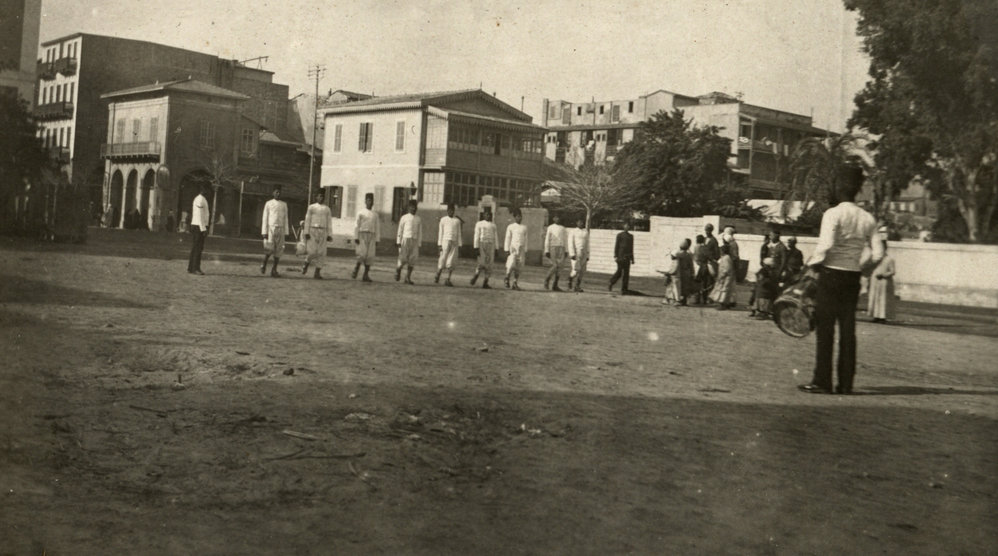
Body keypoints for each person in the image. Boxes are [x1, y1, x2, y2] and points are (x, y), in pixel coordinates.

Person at [799, 165, 884, 395]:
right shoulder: (867, 218)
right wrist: (862, 270)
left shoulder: (833, 214)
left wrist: (810, 267)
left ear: (838, 186)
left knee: (826, 329)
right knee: (848, 330)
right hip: (852, 277)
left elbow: (825, 246)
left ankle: (822, 381)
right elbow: (878, 253)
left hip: (830, 275)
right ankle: (846, 383)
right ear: (856, 188)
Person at [301, 190, 333, 279]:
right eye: (319, 196)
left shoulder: (327, 209)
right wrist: (306, 232)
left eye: (322, 196)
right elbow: (307, 220)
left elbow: (329, 222)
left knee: (322, 252)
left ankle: (317, 272)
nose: (321, 198)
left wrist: (330, 234)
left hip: (323, 231)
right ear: (316, 197)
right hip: (312, 230)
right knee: (312, 251)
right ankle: (306, 262)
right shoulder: (311, 207)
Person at [260, 186, 290, 278]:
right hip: (271, 228)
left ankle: (274, 270)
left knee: (279, 250)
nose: (278, 194)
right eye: (276, 192)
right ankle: (264, 264)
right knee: (269, 248)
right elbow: (265, 218)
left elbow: (286, 218)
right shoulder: (268, 203)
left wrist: (286, 232)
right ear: (273, 193)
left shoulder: (284, 204)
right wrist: (264, 232)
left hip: (280, 229)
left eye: (279, 192)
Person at [352, 192, 380, 282]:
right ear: (365, 201)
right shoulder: (360, 213)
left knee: (370, 256)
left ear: (373, 202)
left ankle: (365, 275)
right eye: (368, 200)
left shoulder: (375, 214)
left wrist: (377, 239)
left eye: (371, 201)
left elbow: (377, 227)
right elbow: (356, 225)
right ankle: (356, 268)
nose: (369, 202)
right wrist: (356, 236)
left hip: (371, 236)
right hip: (362, 234)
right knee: (362, 254)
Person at [867, 240, 896, 323]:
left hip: (884, 281)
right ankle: (876, 316)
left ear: (885, 248)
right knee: (875, 297)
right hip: (875, 281)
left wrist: (883, 275)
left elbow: (892, 271)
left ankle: (882, 317)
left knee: (883, 299)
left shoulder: (889, 259)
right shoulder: (874, 259)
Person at [395, 200, 422, 285]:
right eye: (412, 207)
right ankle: (398, 269)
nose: (413, 209)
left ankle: (408, 277)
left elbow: (420, 232)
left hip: (414, 241)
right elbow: (400, 230)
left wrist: (419, 242)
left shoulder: (418, 219)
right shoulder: (404, 217)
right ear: (409, 207)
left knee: (412, 259)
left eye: (415, 207)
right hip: (405, 239)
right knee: (403, 258)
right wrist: (398, 241)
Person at [435, 203, 462, 286]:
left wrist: (459, 244)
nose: (451, 212)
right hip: (445, 241)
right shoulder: (443, 220)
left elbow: (459, 233)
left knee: (452, 261)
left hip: (454, 242)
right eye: (449, 210)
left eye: (452, 210)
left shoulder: (457, 221)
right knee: (443, 258)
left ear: (454, 211)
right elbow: (440, 232)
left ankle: (448, 278)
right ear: (447, 211)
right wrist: (439, 244)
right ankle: (438, 274)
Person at [186, 184, 211, 275]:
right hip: (198, 226)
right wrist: (203, 228)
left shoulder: (201, 199)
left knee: (195, 247)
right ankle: (195, 268)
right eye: (206, 189)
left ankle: (191, 267)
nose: (208, 191)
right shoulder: (200, 199)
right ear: (202, 189)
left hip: (197, 226)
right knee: (197, 248)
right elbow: (200, 215)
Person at [470, 210, 498, 289]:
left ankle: (485, 282)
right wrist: (476, 247)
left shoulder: (493, 225)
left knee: (489, 264)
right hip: (482, 244)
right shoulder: (479, 224)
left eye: (489, 215)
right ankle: (476, 275)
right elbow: (476, 235)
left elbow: (496, 237)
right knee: (481, 262)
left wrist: (496, 248)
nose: (488, 216)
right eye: (486, 214)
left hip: (491, 245)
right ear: (483, 215)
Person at [503, 208, 528, 290]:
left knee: (519, 266)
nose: (519, 218)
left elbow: (526, 239)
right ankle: (507, 278)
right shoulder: (511, 227)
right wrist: (506, 249)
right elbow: (508, 238)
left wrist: (525, 249)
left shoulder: (524, 227)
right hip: (513, 248)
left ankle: (515, 282)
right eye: (517, 216)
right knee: (511, 264)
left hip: (521, 249)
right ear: (514, 217)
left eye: (520, 216)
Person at [608, 221, 635, 294]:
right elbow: (616, 245)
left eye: (628, 226)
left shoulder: (631, 236)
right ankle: (611, 282)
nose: (627, 227)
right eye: (626, 225)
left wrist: (632, 259)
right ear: (623, 226)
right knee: (619, 272)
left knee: (626, 274)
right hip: (620, 256)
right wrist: (616, 255)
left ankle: (624, 289)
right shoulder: (619, 235)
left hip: (628, 257)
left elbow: (631, 248)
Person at [543, 214, 568, 291]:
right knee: (554, 265)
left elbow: (565, 240)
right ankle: (547, 280)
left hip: (561, 248)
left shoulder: (563, 228)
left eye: (559, 217)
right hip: (553, 247)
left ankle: (555, 285)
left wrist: (566, 250)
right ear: (553, 218)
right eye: (556, 217)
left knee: (560, 267)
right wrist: (546, 250)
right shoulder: (550, 227)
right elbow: (547, 239)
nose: (557, 219)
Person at [709, 243, 735, 309]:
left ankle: (723, 303)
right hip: (724, 277)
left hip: (726, 277)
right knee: (723, 289)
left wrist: (722, 276)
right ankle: (725, 303)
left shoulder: (726, 258)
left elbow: (727, 269)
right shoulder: (725, 258)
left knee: (724, 290)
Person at [567, 218, 589, 292]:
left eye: (582, 222)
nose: (581, 223)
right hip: (577, 252)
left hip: (584, 253)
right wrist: (572, 253)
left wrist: (588, 255)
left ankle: (577, 286)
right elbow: (570, 243)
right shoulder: (573, 231)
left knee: (582, 271)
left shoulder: (585, 231)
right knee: (576, 270)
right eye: (579, 222)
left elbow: (588, 243)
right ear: (576, 223)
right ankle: (570, 278)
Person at [673, 238, 695, 305]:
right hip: (687, 272)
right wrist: (692, 273)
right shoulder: (688, 255)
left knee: (679, 286)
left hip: (680, 272)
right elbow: (691, 265)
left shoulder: (678, 254)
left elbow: (674, 254)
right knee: (685, 287)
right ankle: (684, 300)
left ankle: (678, 300)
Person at [692, 234, 710, 304]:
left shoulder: (696, 247)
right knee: (704, 283)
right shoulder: (704, 248)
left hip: (696, 265)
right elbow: (707, 256)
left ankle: (696, 298)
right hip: (703, 266)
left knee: (697, 283)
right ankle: (704, 299)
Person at [703, 223, 720, 292]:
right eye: (706, 230)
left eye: (709, 230)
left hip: (710, 262)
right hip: (703, 262)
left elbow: (717, 253)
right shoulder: (704, 239)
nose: (707, 232)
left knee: (710, 279)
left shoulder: (714, 240)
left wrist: (713, 259)